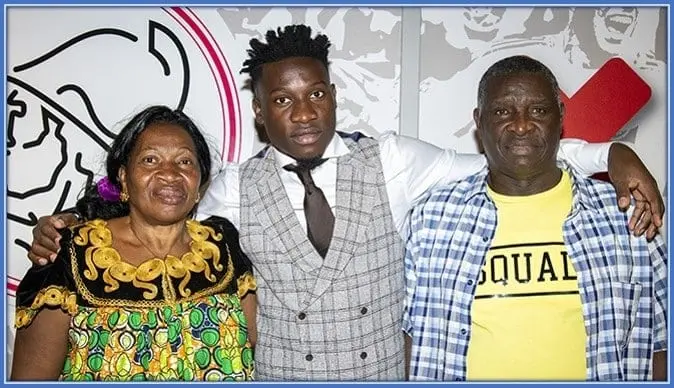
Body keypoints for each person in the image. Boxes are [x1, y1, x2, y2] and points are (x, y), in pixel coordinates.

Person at [27, 25, 663, 380]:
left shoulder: (393, 159)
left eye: (315, 95)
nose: (302, 113)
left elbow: (509, 157)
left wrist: (609, 154)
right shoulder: (229, 191)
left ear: (332, 95)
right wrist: (70, 231)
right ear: (259, 110)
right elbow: (157, 214)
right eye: (282, 99)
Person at [403, 56, 667, 381]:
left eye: (539, 110)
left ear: (561, 117)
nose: (522, 124)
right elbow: (409, 339)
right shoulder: (434, 219)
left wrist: (616, 152)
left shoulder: (626, 216)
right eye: (502, 111)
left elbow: (661, 345)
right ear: (479, 120)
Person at [12, 106, 257, 381]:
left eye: (185, 161)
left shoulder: (224, 246)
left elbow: (264, 348)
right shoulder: (71, 254)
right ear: (124, 177)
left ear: (200, 181)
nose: (170, 173)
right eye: (150, 160)